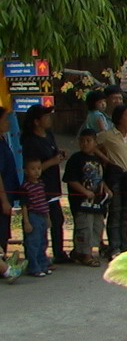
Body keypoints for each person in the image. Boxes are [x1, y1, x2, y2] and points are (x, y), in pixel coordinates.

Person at [21, 104, 69, 263]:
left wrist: (59, 155)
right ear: (36, 121)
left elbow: (53, 152)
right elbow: (33, 167)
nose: (49, 119)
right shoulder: (31, 142)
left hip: (53, 183)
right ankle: (36, 257)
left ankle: (58, 252)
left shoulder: (48, 135)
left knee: (57, 219)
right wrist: (52, 161)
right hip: (38, 187)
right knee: (39, 222)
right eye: (46, 116)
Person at [97, 105, 127, 258]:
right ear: (119, 118)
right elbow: (93, 144)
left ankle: (125, 244)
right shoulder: (107, 135)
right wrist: (106, 160)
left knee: (126, 212)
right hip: (115, 176)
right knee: (115, 211)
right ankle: (114, 247)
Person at [63, 129, 109, 266]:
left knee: (97, 226)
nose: (85, 144)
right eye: (82, 141)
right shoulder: (75, 159)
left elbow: (100, 177)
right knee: (85, 227)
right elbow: (70, 179)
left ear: (95, 142)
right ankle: (86, 255)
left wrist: (106, 188)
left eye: (89, 141)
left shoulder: (97, 159)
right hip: (81, 201)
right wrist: (84, 191)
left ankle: (79, 252)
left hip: (97, 201)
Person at [20, 158, 51, 277]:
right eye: (33, 169)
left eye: (38, 168)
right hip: (33, 216)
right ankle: (33, 267)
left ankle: (43, 265)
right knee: (33, 242)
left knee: (43, 242)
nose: (36, 171)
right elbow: (24, 206)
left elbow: (45, 202)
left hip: (43, 215)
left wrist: (48, 218)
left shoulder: (41, 184)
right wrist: (27, 222)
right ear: (26, 171)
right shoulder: (25, 186)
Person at [0, 107, 20, 261]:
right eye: (4, 119)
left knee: (4, 231)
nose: (7, 122)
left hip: (9, 191)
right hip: (2, 196)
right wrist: (4, 200)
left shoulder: (3, 139)